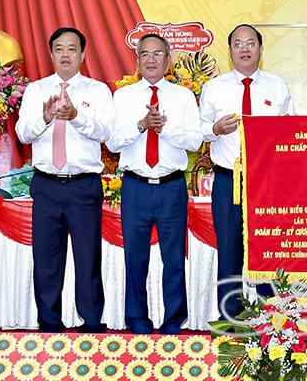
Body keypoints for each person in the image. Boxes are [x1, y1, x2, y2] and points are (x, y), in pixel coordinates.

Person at [14, 27, 112, 333]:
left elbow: (106, 132)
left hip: (84, 185)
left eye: (72, 49)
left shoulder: (97, 91)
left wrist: (76, 117)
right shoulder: (36, 90)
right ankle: (49, 323)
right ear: (51, 54)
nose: (65, 55)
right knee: (46, 260)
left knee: (88, 259)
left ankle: (92, 323)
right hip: (46, 185)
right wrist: (45, 118)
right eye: (59, 49)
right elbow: (22, 134)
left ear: (82, 55)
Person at [107, 33, 203, 334]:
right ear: (137, 60)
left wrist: (163, 128)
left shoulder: (183, 97)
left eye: (157, 54)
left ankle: (174, 320)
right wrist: (141, 125)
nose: (151, 60)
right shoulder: (123, 97)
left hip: (171, 187)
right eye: (145, 54)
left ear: (168, 60)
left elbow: (195, 140)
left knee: (173, 259)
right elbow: (112, 142)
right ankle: (137, 319)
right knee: (135, 258)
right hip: (135, 187)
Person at [199, 24, 295, 320]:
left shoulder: (277, 86)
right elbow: (197, 130)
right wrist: (215, 129)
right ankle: (231, 320)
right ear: (229, 51)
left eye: (250, 43)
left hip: (267, 182)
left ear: (261, 49)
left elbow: (292, 130)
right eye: (238, 44)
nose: (244, 49)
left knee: (268, 249)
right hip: (228, 180)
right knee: (229, 251)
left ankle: (273, 321)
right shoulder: (214, 87)